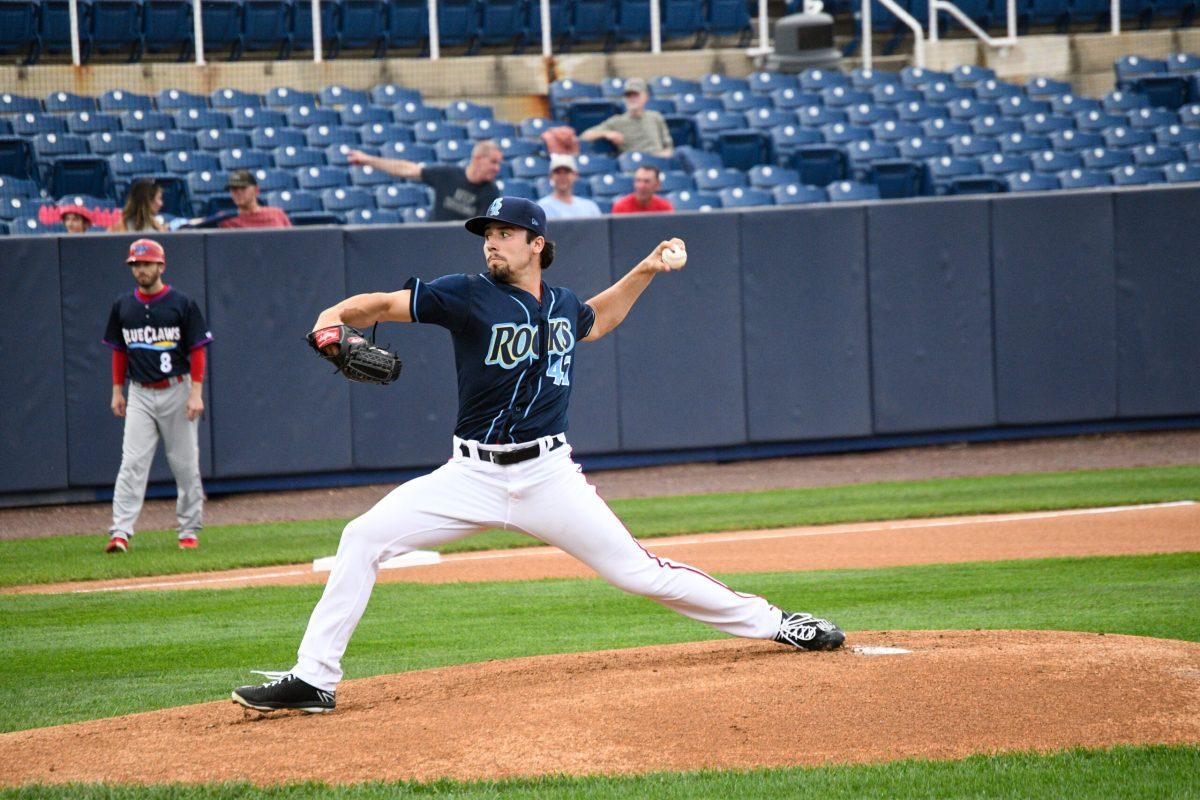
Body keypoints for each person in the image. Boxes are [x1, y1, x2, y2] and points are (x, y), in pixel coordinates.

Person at [231, 196, 844, 714]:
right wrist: (332, 319)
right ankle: (314, 680)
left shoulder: (559, 305)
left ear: (536, 244)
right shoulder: (465, 295)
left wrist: (647, 268)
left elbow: (595, 320)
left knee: (637, 572)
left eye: (504, 234)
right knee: (362, 537)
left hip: (548, 475)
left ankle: (776, 621)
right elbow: (381, 304)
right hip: (468, 474)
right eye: (487, 235)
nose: (491, 244)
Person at [103, 239, 212, 553]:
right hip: (139, 392)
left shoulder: (181, 303)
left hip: (178, 389)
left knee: (185, 465)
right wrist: (117, 391)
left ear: (161, 266)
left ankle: (188, 530)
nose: (141, 269)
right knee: (132, 463)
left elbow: (197, 350)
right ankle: (120, 532)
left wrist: (195, 392)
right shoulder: (123, 305)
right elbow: (119, 352)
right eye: (136, 264)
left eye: (146, 263)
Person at [347, 140, 502, 222]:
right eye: (493, 162)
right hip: (432, 239)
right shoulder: (448, 174)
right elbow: (407, 169)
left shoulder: (491, 192)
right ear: (478, 158)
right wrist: (367, 159)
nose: (497, 168)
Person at [581, 77, 673, 157]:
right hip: (635, 163)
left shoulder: (656, 117)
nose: (632, 99)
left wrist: (663, 155)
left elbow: (668, 147)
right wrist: (606, 133)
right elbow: (585, 136)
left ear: (646, 96)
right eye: (628, 95)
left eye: (636, 95)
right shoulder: (617, 121)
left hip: (658, 160)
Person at [537, 154, 602, 220]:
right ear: (551, 176)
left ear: (575, 175)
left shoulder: (590, 207)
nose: (562, 177)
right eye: (558, 172)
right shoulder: (542, 207)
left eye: (567, 172)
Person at [218, 170, 292, 229]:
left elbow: (293, 240)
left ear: (256, 190)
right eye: (234, 189)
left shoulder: (277, 213)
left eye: (243, 188)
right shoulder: (226, 220)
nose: (238, 192)